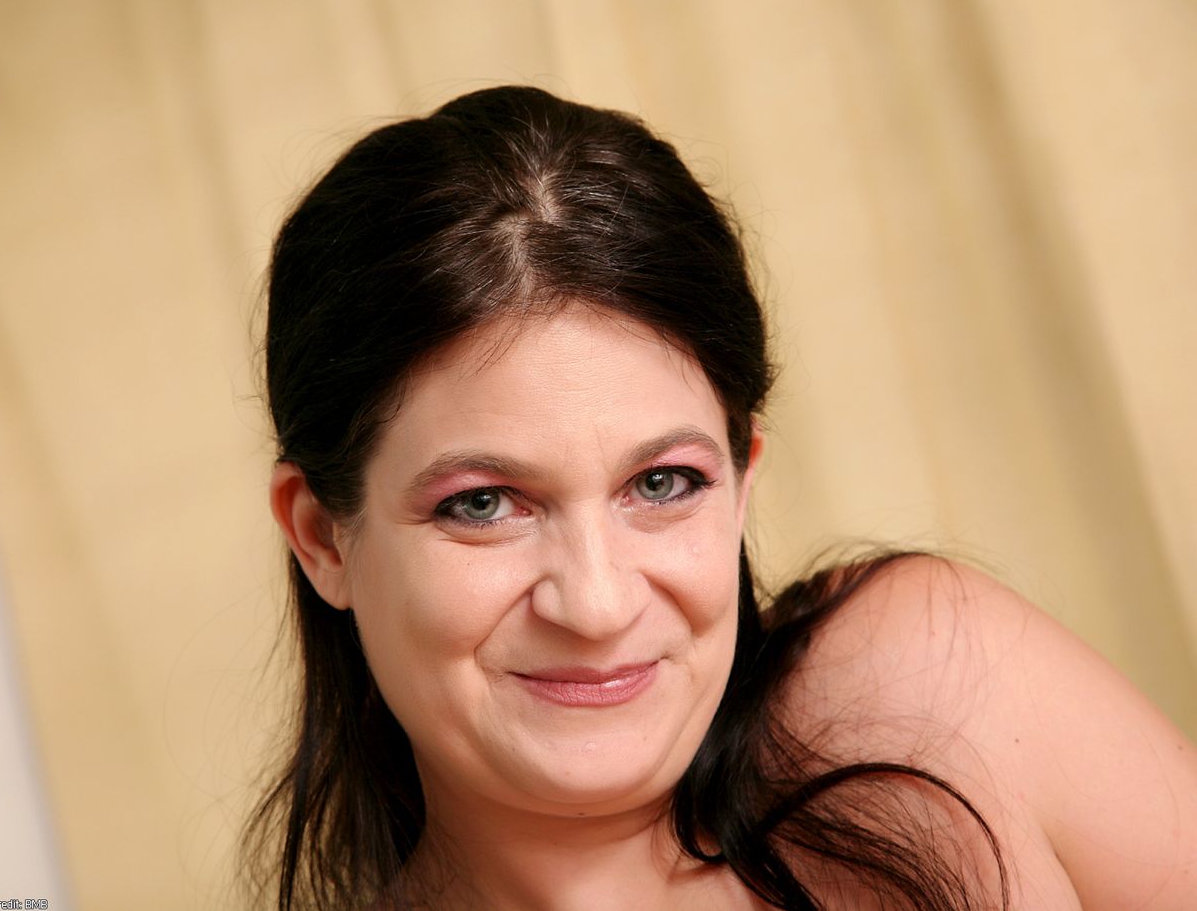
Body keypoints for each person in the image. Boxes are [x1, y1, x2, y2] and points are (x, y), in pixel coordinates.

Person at [243, 86, 1197, 909]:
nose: (596, 604)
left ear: (742, 480)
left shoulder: (927, 691)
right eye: (485, 503)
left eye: (662, 484)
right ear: (322, 536)